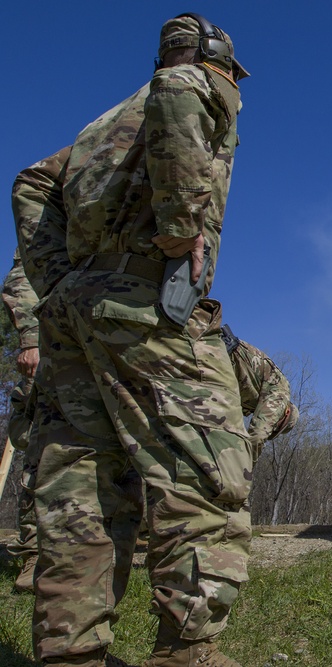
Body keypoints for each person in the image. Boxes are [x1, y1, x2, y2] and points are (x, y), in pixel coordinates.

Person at [22, 14, 250, 667]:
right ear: (218, 62)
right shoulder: (190, 83)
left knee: (83, 475)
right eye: (233, 75)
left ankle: (70, 650)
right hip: (144, 304)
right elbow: (181, 88)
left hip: (76, 311)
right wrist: (180, 226)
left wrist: (58, 280)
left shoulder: (101, 126)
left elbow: (33, 182)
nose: (235, 89)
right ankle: (187, 647)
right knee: (208, 467)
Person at [2, 251, 41, 594]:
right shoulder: (53, 212)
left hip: (106, 347)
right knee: (42, 448)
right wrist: (31, 336)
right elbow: (22, 279)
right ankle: (34, 552)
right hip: (54, 350)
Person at [221, 324, 299, 462]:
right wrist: (243, 470)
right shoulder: (280, 395)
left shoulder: (254, 403)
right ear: (285, 413)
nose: (272, 426)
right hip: (221, 351)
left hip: (215, 367)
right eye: (276, 426)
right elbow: (257, 435)